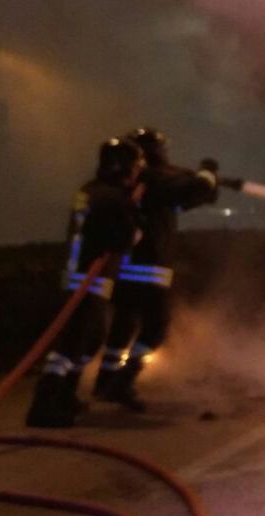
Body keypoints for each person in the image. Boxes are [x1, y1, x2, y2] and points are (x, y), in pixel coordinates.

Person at [94, 127, 230, 412]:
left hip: (127, 269)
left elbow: (190, 198)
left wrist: (205, 182)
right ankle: (123, 380)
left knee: (123, 326)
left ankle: (105, 381)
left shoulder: (140, 182)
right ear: (155, 151)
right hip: (148, 270)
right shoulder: (155, 179)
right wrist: (207, 171)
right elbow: (196, 191)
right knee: (155, 330)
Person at [25, 138, 145, 428]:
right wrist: (133, 210)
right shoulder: (114, 198)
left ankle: (65, 397)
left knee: (85, 344)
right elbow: (128, 239)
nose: (136, 174)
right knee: (72, 347)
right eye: (134, 167)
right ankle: (44, 407)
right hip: (89, 285)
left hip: (78, 280)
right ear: (123, 168)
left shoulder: (90, 191)